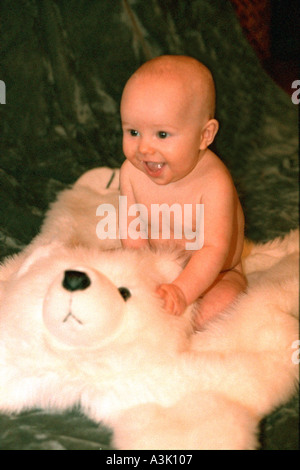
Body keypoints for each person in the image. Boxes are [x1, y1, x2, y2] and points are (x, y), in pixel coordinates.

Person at [119, 55, 246, 329]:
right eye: (133, 132)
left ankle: (181, 331)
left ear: (205, 135)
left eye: (162, 135)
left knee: (223, 303)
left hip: (215, 272)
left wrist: (183, 290)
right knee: (115, 282)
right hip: (160, 262)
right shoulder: (130, 173)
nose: (143, 148)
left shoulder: (214, 182)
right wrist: (146, 274)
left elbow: (214, 248)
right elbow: (132, 232)